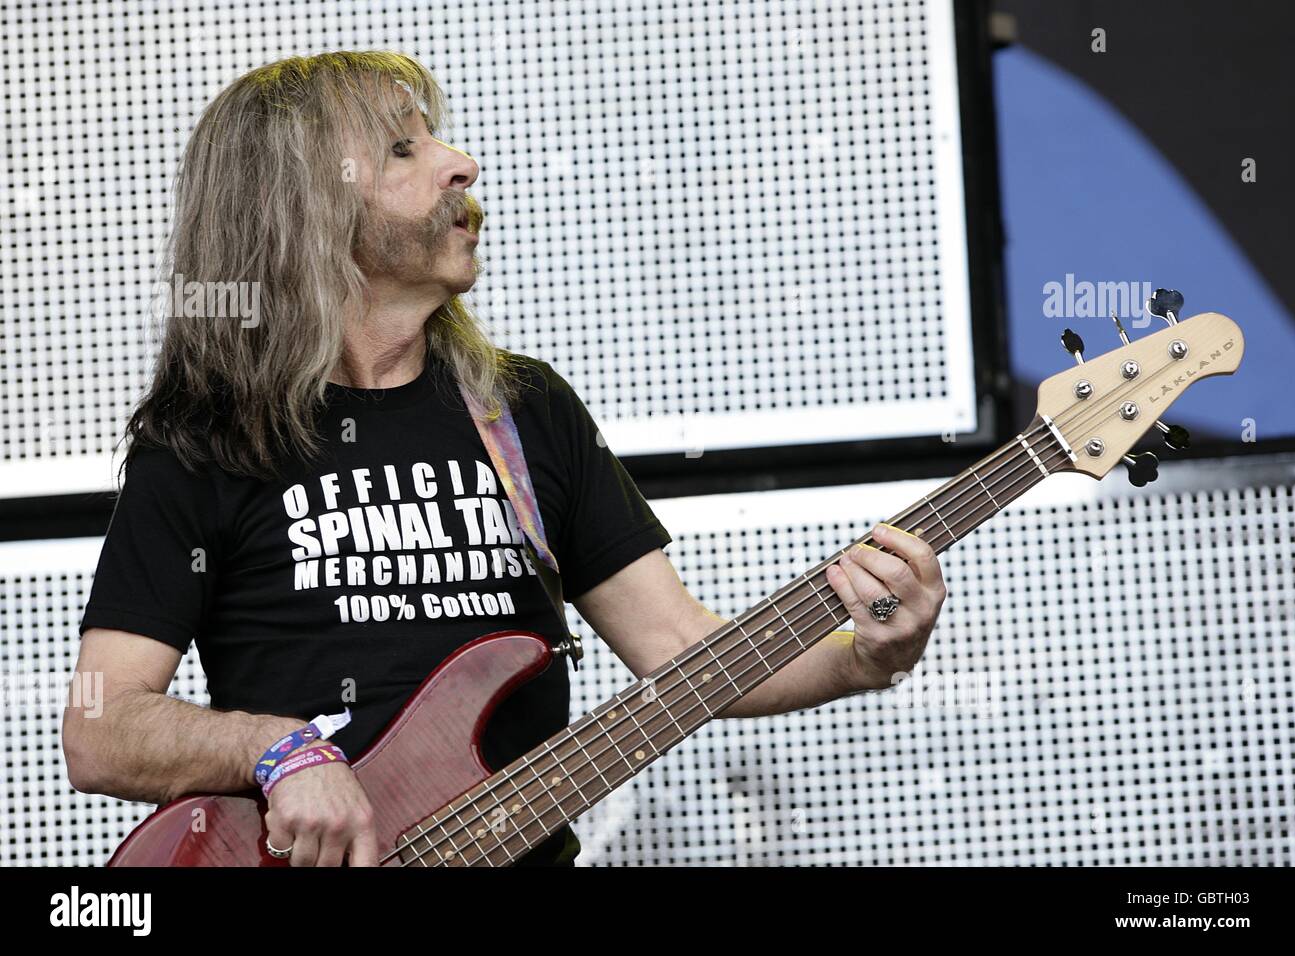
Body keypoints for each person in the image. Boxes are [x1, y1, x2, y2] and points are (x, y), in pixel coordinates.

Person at [62, 51, 947, 867]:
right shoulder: (205, 440)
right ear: (305, 204)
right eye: (404, 148)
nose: (461, 166)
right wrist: (276, 749)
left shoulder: (524, 411)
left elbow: (680, 648)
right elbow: (102, 732)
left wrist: (864, 659)